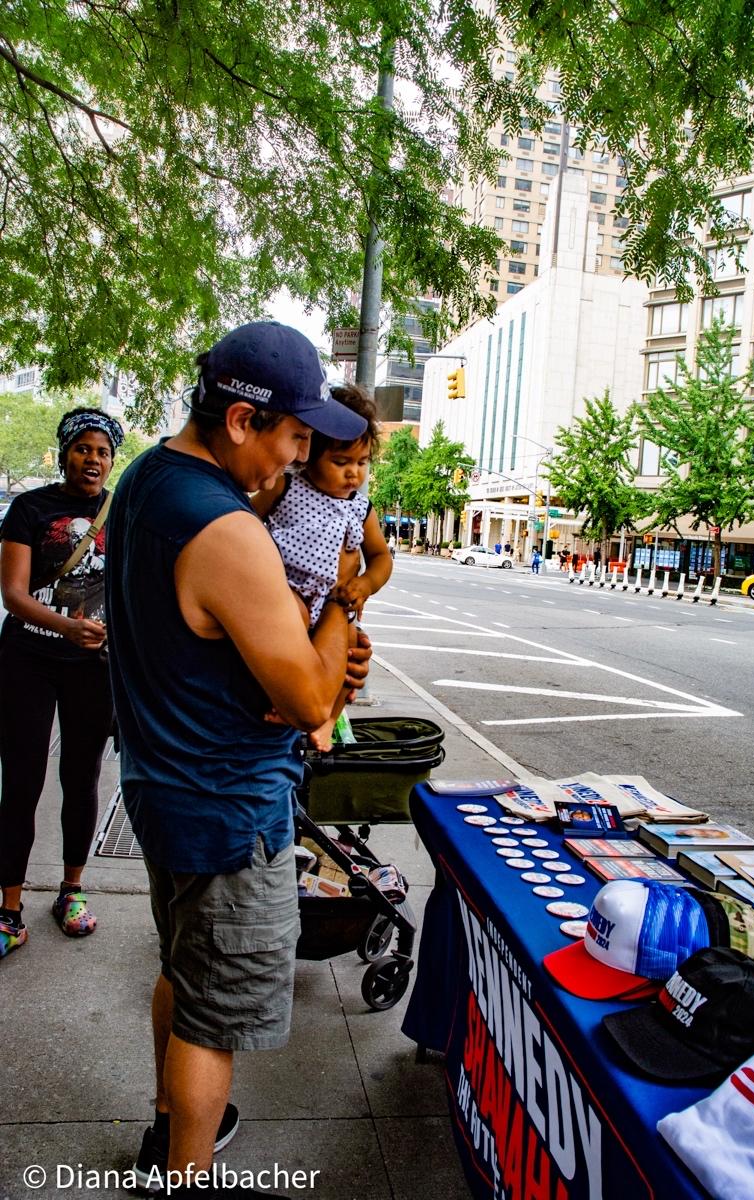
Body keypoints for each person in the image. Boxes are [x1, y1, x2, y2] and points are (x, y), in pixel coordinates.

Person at [105, 321, 372, 1198]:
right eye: (296, 437)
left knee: (183, 972)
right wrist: (340, 606)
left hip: (163, 783)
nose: (299, 460)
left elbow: (210, 641)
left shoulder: (146, 478)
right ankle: (183, 1174)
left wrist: (308, 649)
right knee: (213, 1019)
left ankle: (172, 1125)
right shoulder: (225, 529)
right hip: (226, 807)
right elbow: (306, 698)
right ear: (240, 423)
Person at [0, 408, 124, 960]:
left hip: (91, 668)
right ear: (64, 452)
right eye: (83, 448)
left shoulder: (119, 513)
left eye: (102, 451)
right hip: (28, 657)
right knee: (21, 782)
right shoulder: (30, 508)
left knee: (82, 777)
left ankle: (71, 890)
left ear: (111, 460)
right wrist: (66, 626)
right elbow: (14, 594)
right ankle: (9, 907)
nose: (92, 459)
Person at [252, 385, 392, 749]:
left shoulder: (361, 508)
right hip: (291, 595)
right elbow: (243, 522)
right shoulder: (284, 487)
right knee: (283, 653)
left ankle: (327, 721)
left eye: (362, 463)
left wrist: (365, 584)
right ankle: (284, 702)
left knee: (349, 652)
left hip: (338, 602)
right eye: (341, 462)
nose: (354, 475)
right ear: (308, 453)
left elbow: (381, 557)